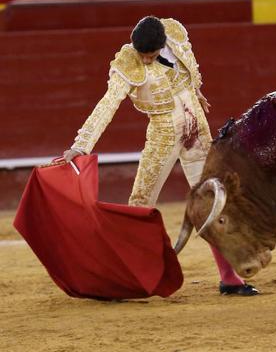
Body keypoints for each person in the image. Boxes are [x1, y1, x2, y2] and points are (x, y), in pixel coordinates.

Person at [62, 16, 258, 296]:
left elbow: (190, 68)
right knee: (140, 203)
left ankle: (230, 278)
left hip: (197, 130)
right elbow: (107, 104)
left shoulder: (175, 35)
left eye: (150, 55)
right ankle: (128, 276)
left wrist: (196, 92)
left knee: (213, 202)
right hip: (163, 132)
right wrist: (81, 145)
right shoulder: (127, 62)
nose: (144, 60)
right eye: (141, 54)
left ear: (162, 45)